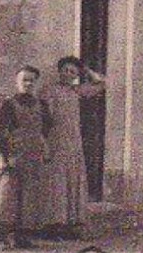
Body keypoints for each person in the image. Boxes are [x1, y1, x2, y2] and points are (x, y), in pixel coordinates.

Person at [0, 65, 52, 249]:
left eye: (32, 80)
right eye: (24, 80)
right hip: (12, 156)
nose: (28, 83)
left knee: (28, 198)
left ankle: (20, 236)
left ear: (36, 83)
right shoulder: (8, 104)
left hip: (32, 156)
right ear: (17, 82)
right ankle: (0, 237)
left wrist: (41, 146)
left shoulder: (42, 105)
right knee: (7, 197)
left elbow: (47, 127)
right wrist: (5, 156)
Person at [43, 55, 105, 237]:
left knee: (72, 180)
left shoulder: (77, 91)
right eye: (66, 70)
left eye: (73, 72)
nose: (68, 74)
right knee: (57, 182)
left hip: (74, 141)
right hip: (56, 140)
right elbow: (45, 118)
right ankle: (56, 225)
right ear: (59, 71)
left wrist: (86, 70)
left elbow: (102, 83)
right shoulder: (49, 91)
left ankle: (71, 223)